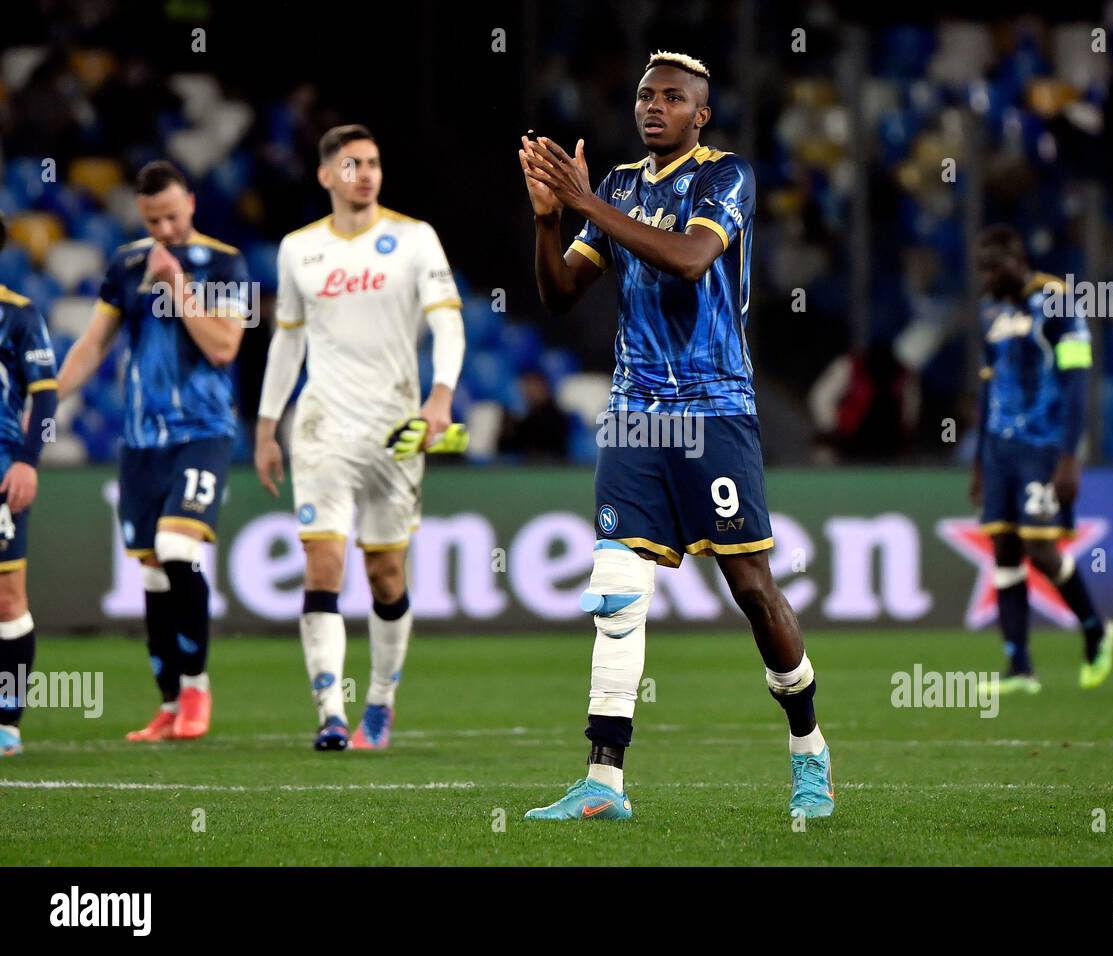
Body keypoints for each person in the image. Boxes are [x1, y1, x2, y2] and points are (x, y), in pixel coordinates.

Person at [519, 51, 833, 821]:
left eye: (672, 98)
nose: (653, 106)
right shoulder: (621, 186)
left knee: (753, 591)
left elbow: (692, 259)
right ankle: (604, 783)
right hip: (634, 413)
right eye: (643, 95)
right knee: (617, 594)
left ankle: (810, 752)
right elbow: (560, 295)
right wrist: (549, 217)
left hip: (714, 409)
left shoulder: (725, 177)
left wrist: (585, 203)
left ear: (701, 115)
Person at [255, 124, 466, 751]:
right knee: (323, 563)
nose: (366, 173)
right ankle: (329, 712)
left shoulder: (414, 239)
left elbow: (448, 326)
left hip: (396, 432)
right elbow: (288, 339)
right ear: (325, 175)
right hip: (321, 430)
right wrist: (267, 426)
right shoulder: (298, 250)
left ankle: (379, 700)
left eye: (373, 162)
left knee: (384, 577)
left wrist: (440, 396)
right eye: (352, 164)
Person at [58, 161, 249, 741]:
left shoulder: (224, 263)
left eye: (171, 215)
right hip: (142, 440)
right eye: (151, 219)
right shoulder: (126, 264)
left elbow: (223, 346)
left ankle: (197, 688)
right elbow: (94, 344)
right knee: (152, 576)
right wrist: (44, 403)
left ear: (191, 202)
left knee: (174, 546)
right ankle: (169, 703)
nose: (163, 228)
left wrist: (177, 286)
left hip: (203, 431)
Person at [970, 224, 1113, 694]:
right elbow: (988, 385)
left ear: (1016, 261)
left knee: (1040, 548)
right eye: (982, 272)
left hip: (1043, 446)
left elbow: (1077, 381)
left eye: (993, 270)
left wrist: (1070, 457)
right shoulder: (990, 309)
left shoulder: (1056, 298)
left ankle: (1095, 628)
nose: (987, 280)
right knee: (1004, 551)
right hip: (998, 448)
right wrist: (978, 461)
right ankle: (1019, 667)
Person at [0, 211, 60, 756]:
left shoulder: (17, 315)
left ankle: (7, 722)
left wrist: (27, 460)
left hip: (1, 471)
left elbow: (45, 396)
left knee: (7, 597)